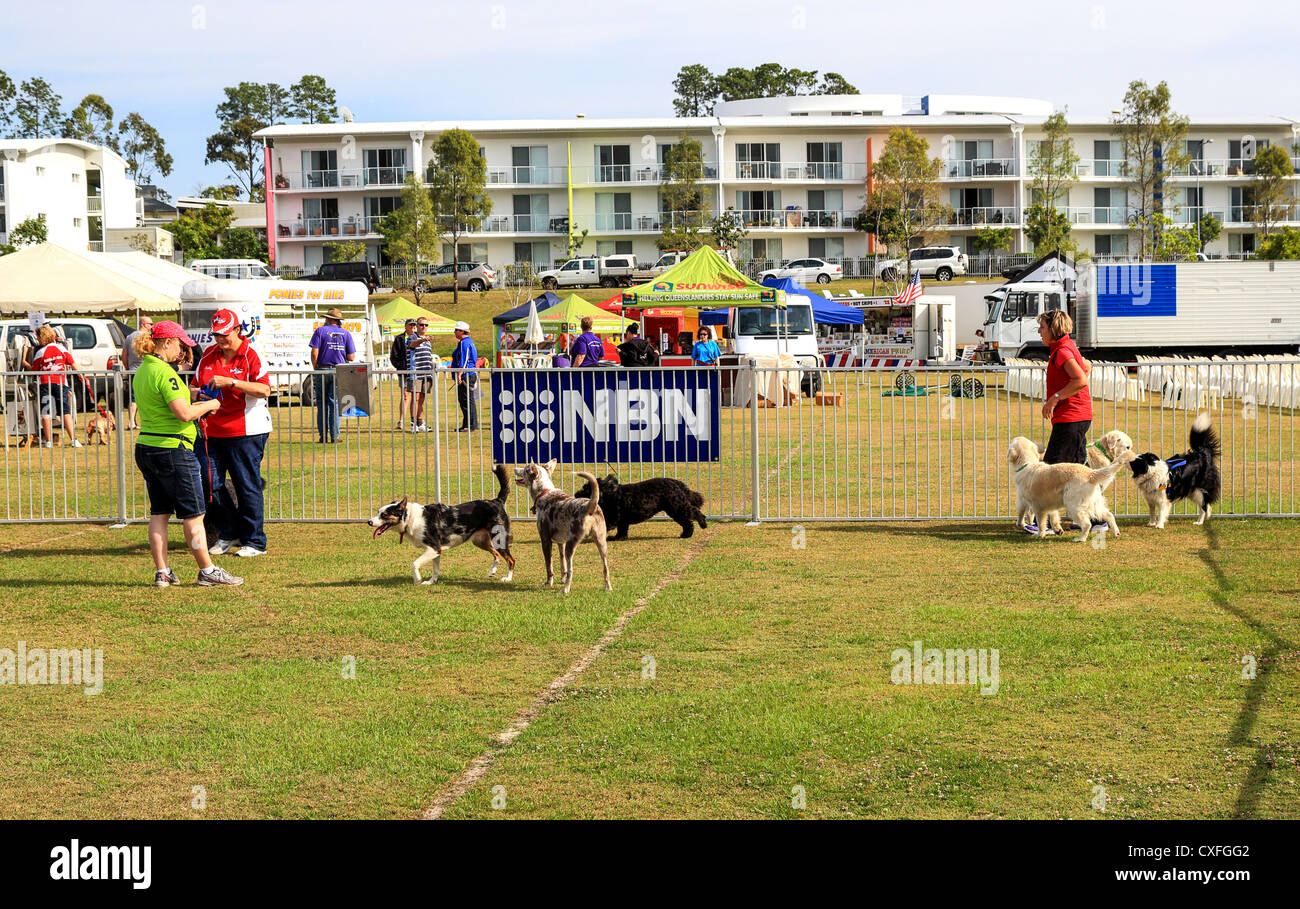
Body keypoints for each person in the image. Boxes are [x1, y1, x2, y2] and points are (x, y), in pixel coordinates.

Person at [131, 320, 242, 587]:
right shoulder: (165, 373)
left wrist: (190, 393)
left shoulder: (144, 370)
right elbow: (183, 413)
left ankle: (163, 572)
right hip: (174, 450)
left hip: (147, 446)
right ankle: (207, 570)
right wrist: (211, 403)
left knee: (159, 513)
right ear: (166, 342)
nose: (181, 351)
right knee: (194, 514)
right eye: (179, 345)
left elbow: (165, 399)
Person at [193, 308, 273, 558]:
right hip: (212, 430)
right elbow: (196, 385)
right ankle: (228, 533)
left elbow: (265, 390)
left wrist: (233, 382)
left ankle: (255, 541)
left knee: (246, 485)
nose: (220, 339)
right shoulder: (208, 354)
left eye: (224, 334)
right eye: (216, 334)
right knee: (210, 484)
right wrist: (197, 394)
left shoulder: (251, 353)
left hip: (247, 430)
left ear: (237, 330)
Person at [1030, 309, 1103, 535]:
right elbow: (1086, 368)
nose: (1040, 331)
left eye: (1042, 327)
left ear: (1053, 328)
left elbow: (1080, 379)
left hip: (1072, 417)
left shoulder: (1062, 350)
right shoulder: (1065, 348)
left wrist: (1054, 398)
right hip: (1077, 416)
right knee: (1082, 470)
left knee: (1050, 468)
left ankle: (1047, 524)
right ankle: (1094, 519)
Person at [29, 324, 83, 449]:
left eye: (38, 336)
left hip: (45, 384)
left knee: (45, 412)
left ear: (41, 337)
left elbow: (34, 370)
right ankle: (73, 440)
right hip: (60, 383)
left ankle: (48, 441)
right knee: (65, 411)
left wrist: (26, 364)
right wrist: (82, 377)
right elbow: (73, 364)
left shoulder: (40, 352)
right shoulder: (62, 349)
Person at [309, 307, 356, 444]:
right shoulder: (346, 334)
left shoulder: (320, 331)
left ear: (329, 319)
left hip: (322, 370)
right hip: (338, 371)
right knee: (334, 404)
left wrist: (316, 367)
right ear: (338, 320)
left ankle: (323, 436)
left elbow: (314, 353)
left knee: (321, 404)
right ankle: (334, 436)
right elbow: (351, 357)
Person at [121, 315, 153, 430]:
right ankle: (134, 422)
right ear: (143, 324)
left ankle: (132, 421)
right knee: (144, 397)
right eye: (150, 324)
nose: (152, 326)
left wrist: (127, 367)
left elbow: (124, 355)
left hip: (133, 371)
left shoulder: (129, 337)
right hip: (146, 371)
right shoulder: (148, 337)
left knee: (133, 397)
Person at [406, 317, 435, 432]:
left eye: (426, 325)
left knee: (422, 398)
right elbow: (412, 345)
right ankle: (413, 424)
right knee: (415, 398)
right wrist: (423, 340)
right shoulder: (413, 336)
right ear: (417, 326)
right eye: (422, 325)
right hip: (415, 372)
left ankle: (420, 422)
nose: (424, 327)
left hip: (426, 374)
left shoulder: (428, 341)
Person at [451, 321, 480, 431]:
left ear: (461, 331)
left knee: (466, 401)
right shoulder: (466, 342)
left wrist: (459, 374)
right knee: (466, 401)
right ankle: (468, 424)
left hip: (466, 375)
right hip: (468, 374)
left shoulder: (465, 342)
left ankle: (469, 425)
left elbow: (464, 359)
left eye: (456, 330)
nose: (454, 332)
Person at [390, 318, 416, 430]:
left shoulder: (418, 338)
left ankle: (415, 421)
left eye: (414, 325)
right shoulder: (399, 338)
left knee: (416, 396)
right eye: (410, 325)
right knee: (405, 395)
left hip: (416, 371)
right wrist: (400, 367)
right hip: (403, 371)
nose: (412, 327)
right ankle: (401, 420)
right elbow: (393, 356)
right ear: (405, 326)